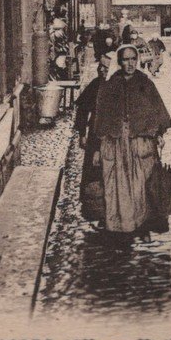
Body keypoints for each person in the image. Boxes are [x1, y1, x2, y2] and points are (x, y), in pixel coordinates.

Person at [95, 44, 171, 237]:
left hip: (140, 141)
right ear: (120, 61)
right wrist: (98, 147)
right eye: (125, 59)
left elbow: (156, 109)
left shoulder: (145, 82)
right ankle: (121, 225)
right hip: (115, 142)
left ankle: (142, 223)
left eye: (133, 59)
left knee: (142, 183)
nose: (130, 64)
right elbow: (102, 115)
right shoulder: (111, 84)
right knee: (117, 184)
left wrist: (158, 134)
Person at [74, 54, 110, 220]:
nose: (101, 70)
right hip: (95, 136)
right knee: (93, 172)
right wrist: (82, 133)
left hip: (115, 139)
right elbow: (82, 109)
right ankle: (94, 205)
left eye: (106, 68)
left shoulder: (121, 86)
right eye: (101, 67)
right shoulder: (95, 85)